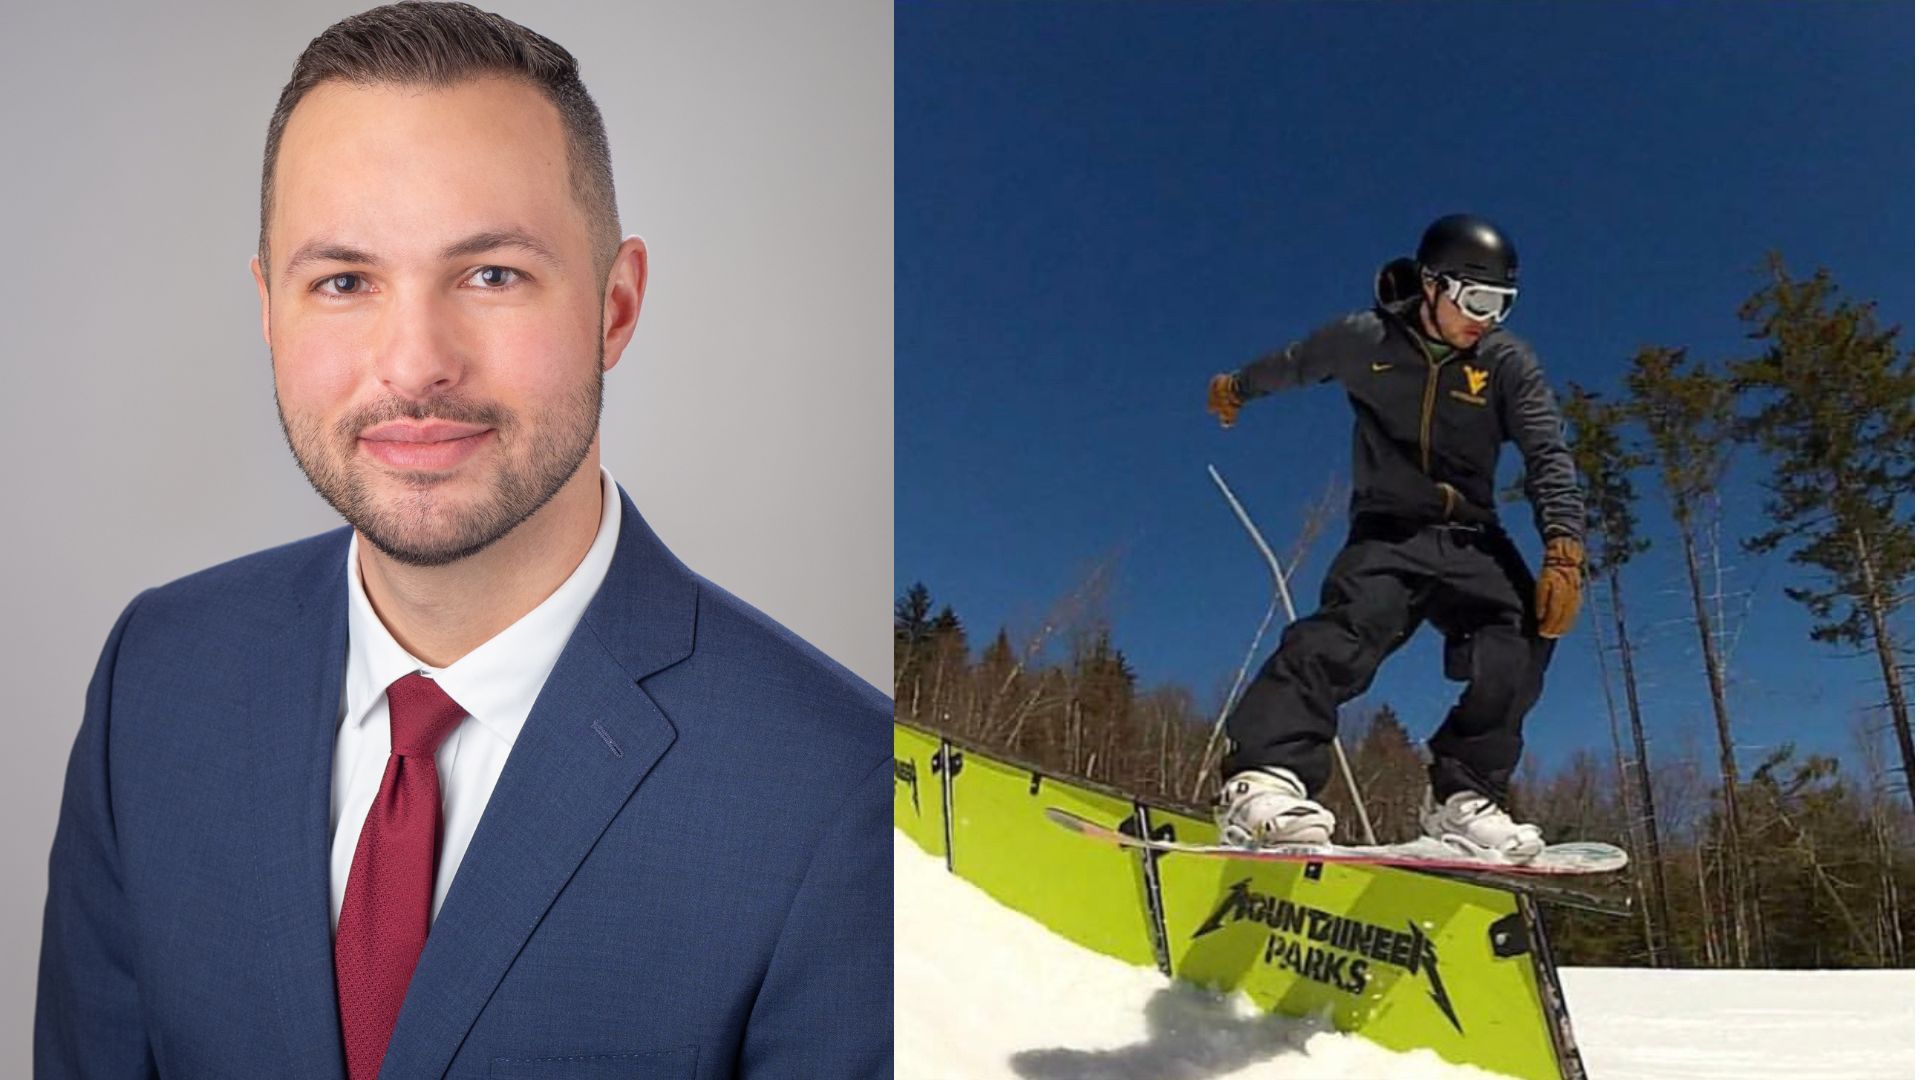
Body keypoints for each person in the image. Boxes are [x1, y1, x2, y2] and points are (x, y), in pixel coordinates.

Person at [34, 5, 888, 1078]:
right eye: (343, 281)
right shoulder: (155, 682)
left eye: (491, 275)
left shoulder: (833, 796)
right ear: (269, 309)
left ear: (615, 307)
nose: (415, 362)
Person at [1203, 213, 1585, 864]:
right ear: (1433, 286)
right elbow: (1294, 364)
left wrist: (1563, 547)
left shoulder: (1505, 363)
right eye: (1475, 300)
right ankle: (1262, 778)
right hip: (1389, 528)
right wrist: (1238, 386)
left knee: (1522, 641)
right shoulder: (1365, 340)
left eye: (1502, 304)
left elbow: (1547, 451)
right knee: (1348, 630)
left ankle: (1462, 798)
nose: (1485, 319)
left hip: (1472, 536)